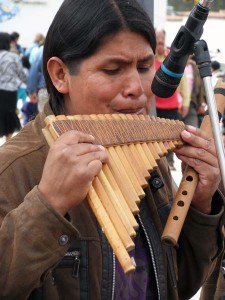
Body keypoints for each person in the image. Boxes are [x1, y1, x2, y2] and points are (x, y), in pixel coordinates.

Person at [0, 1, 224, 299]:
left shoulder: (147, 158)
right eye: (112, 69)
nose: (137, 87)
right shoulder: (13, 169)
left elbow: (178, 285)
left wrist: (200, 206)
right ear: (59, 75)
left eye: (145, 67)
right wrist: (47, 205)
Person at [154, 28, 191, 170]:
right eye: (156, 42)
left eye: (161, 42)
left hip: (171, 106)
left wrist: (186, 102)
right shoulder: (150, 58)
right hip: (155, 107)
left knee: (170, 136)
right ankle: (159, 162)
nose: (159, 45)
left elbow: (184, 83)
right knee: (156, 137)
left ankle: (169, 162)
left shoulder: (173, 58)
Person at [0, 32, 26, 142]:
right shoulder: (13, 57)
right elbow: (21, 75)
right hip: (9, 91)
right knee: (9, 117)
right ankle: (6, 146)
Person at [182, 55, 207, 128]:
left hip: (192, 103)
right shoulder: (172, 64)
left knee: (192, 129)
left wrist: (201, 104)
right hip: (174, 105)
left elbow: (201, 87)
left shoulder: (195, 67)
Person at [26, 45, 48, 112]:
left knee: (45, 119)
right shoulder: (71, 46)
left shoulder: (44, 49)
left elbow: (34, 71)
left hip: (45, 89)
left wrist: (31, 91)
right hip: (68, 92)